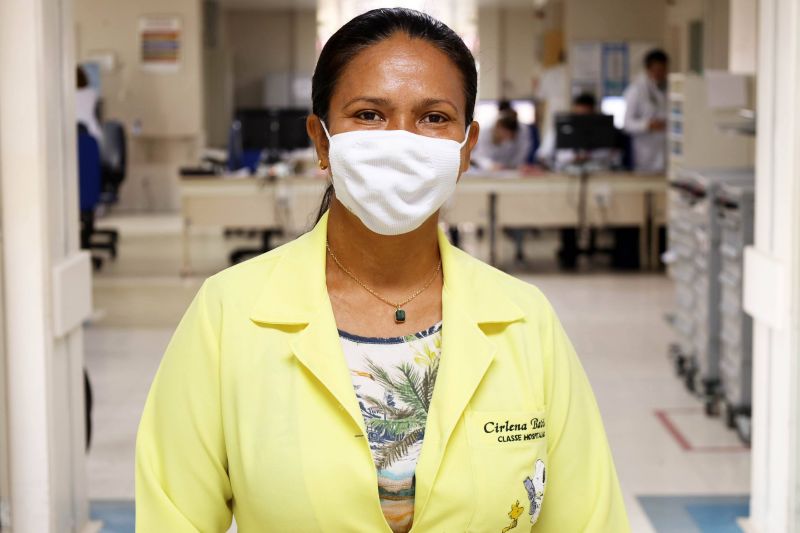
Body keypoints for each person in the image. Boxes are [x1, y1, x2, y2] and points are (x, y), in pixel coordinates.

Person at [135, 8, 629, 533]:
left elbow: (589, 520)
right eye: (369, 114)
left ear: (466, 149)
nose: (401, 140)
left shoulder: (525, 322)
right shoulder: (228, 315)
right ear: (322, 140)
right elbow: (174, 518)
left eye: (434, 117)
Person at [623, 49, 669, 174]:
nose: (660, 73)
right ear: (648, 69)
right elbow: (627, 124)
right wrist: (647, 125)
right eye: (656, 69)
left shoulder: (668, 88)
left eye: (663, 69)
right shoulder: (635, 90)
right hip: (645, 153)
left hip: (666, 151)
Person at [551, 92, 620, 172]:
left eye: (585, 114)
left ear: (593, 111)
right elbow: (546, 154)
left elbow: (612, 154)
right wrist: (574, 157)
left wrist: (589, 156)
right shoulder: (562, 128)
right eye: (579, 114)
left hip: (598, 171)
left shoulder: (605, 128)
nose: (582, 118)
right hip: (565, 171)